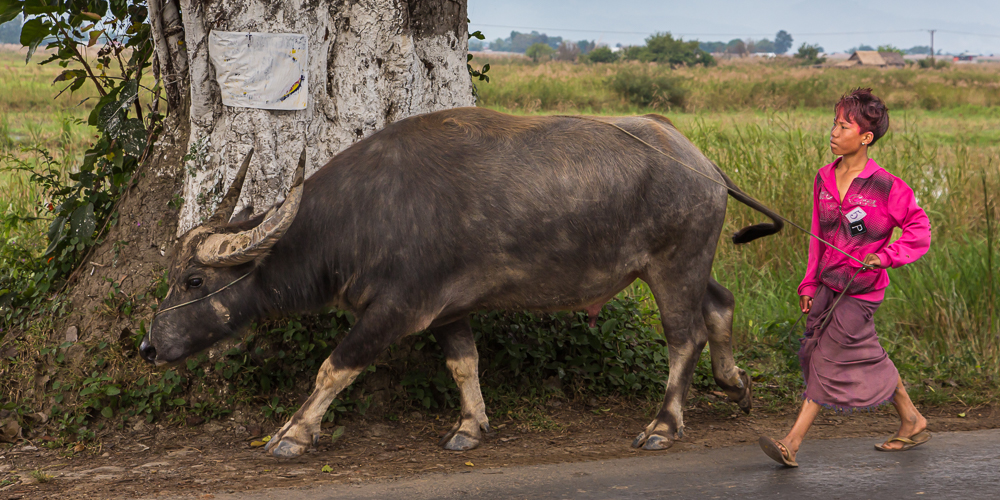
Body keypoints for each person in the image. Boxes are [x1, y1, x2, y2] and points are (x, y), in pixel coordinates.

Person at [759, 88, 932, 467]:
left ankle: (792, 441)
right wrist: (808, 283)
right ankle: (912, 419)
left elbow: (919, 232)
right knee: (862, 354)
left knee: (829, 356)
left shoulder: (887, 186)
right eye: (833, 124)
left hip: (862, 292)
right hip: (827, 286)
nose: (833, 132)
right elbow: (815, 239)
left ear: (865, 137)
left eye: (842, 126)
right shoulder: (823, 177)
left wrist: (885, 256)